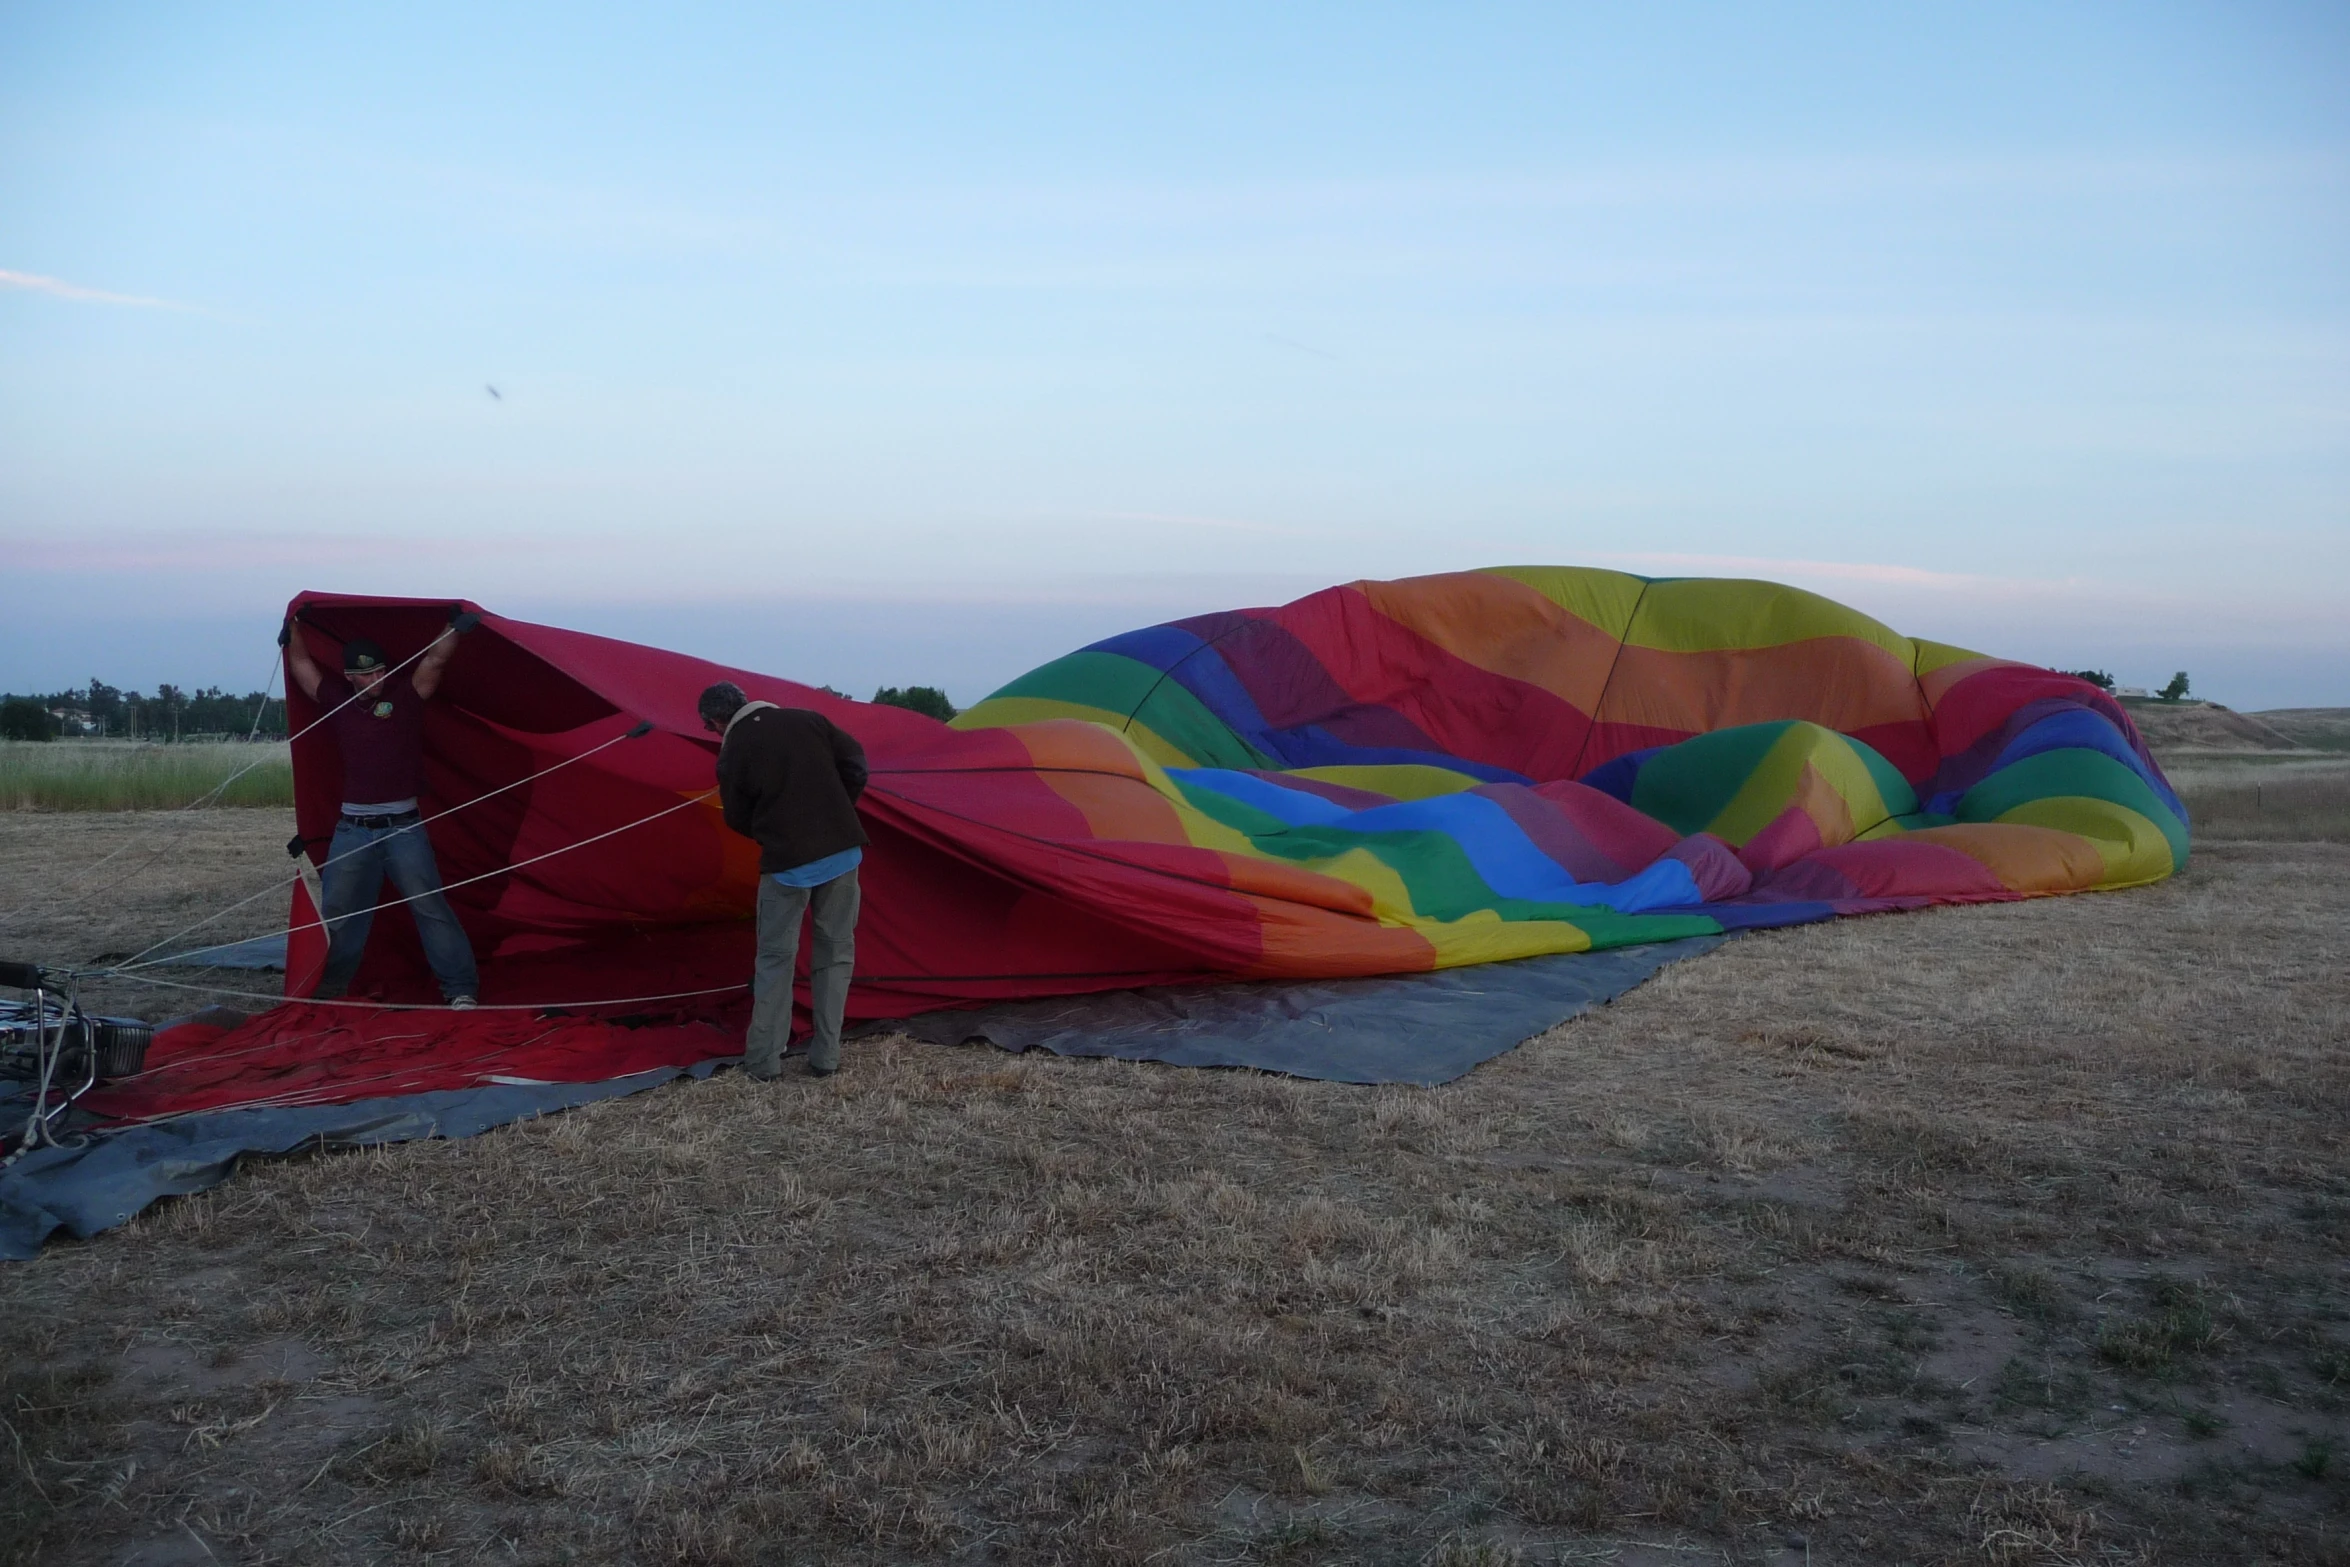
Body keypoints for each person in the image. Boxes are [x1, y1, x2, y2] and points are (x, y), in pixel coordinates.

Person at [282, 609, 482, 1007]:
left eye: (381, 672)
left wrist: (453, 627)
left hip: (403, 828)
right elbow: (302, 664)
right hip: (352, 829)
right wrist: (293, 629)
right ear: (351, 676)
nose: (377, 680)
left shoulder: (406, 696)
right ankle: (328, 988)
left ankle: (460, 988)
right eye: (367, 674)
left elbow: (435, 660)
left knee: (430, 907)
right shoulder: (337, 699)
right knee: (338, 911)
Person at [701, 680, 868, 1078]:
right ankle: (826, 1058)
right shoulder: (808, 720)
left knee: (775, 961)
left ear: (717, 721)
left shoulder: (733, 751)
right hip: (843, 853)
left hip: (787, 866)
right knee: (835, 955)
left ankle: (763, 1062)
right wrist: (837, 811)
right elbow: (856, 765)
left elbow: (736, 816)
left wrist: (772, 831)